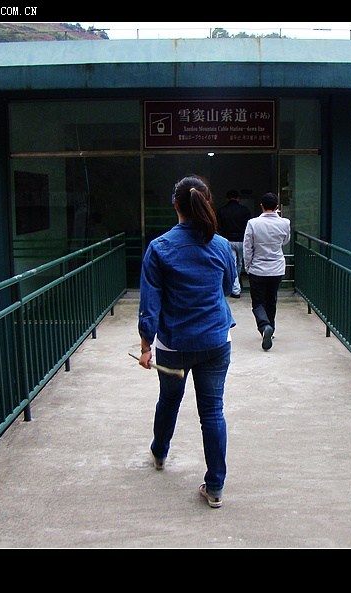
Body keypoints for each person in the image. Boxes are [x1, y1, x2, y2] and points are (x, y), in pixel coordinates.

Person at [137, 174, 237, 509]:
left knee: (169, 400)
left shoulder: (159, 247)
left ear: (175, 205)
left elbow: (150, 303)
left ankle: (159, 453)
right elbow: (227, 288)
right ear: (206, 202)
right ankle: (215, 487)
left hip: (174, 345)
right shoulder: (221, 246)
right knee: (212, 411)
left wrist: (145, 346)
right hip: (215, 341)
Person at [243, 192, 291, 351]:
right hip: (277, 267)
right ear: (277, 206)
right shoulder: (285, 223)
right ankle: (271, 327)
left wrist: (248, 266)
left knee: (258, 302)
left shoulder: (253, 223)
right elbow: (285, 241)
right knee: (272, 299)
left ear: (261, 206)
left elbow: (247, 247)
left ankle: (264, 326)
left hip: (258, 268)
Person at [216, 189, 252, 298]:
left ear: (227, 198)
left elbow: (218, 227)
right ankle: (236, 286)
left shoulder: (221, 211)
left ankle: (235, 287)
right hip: (242, 240)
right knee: (239, 264)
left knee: (233, 263)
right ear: (238, 198)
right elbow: (248, 227)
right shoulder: (245, 210)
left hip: (228, 240)